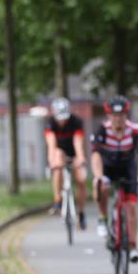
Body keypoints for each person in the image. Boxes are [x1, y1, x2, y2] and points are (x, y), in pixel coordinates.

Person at [91, 96, 138, 263]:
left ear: (127, 115)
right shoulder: (101, 130)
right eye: (114, 116)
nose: (118, 119)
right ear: (108, 116)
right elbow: (95, 155)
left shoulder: (136, 130)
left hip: (127, 168)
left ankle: (132, 246)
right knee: (100, 186)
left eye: (122, 115)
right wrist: (98, 176)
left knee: (131, 206)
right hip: (107, 167)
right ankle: (103, 217)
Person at [44, 97, 88, 228]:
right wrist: (52, 162)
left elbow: (78, 143)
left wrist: (80, 159)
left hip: (74, 153)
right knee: (57, 161)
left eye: (64, 117)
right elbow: (51, 144)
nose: (62, 121)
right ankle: (58, 200)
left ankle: (81, 212)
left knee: (81, 180)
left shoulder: (76, 122)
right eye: (59, 118)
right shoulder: (50, 124)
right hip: (60, 153)